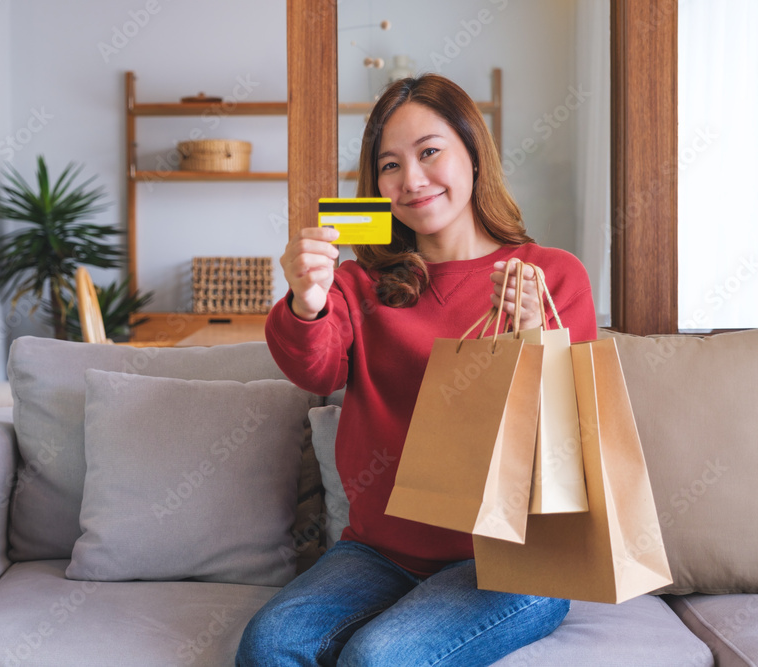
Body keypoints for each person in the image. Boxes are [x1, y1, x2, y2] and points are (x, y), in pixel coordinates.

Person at [236, 73, 598, 666]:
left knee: (379, 658)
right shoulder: (357, 285)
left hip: (513, 559)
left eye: (430, 152)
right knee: (268, 644)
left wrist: (535, 338)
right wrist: (307, 300)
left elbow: (573, 427)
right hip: (380, 552)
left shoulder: (547, 276)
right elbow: (316, 370)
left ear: (474, 156)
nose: (412, 180)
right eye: (390, 165)